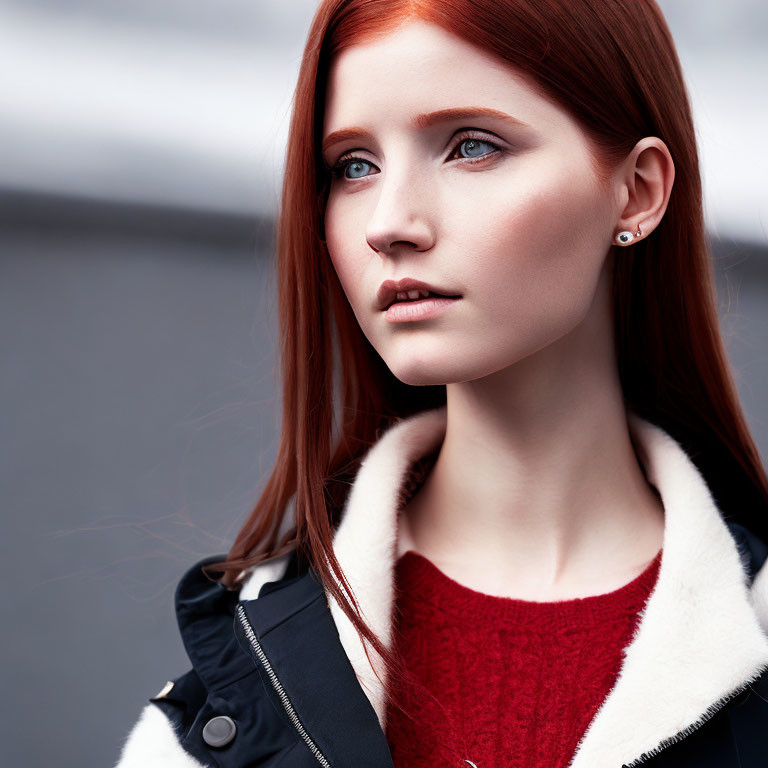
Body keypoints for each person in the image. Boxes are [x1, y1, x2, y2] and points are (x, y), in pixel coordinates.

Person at [115, 1, 768, 766]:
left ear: (637, 191)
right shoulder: (218, 724)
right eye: (352, 166)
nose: (388, 222)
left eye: (471, 146)